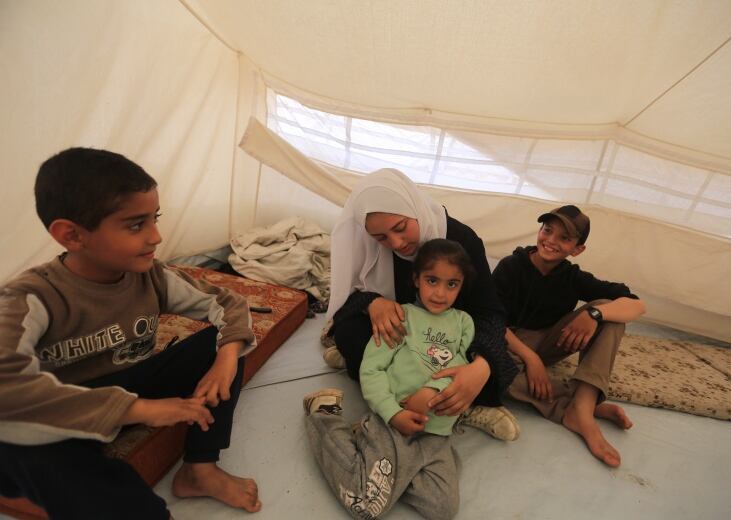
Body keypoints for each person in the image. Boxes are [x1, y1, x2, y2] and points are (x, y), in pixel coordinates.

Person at [0, 148, 262, 518]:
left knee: (223, 345)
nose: (156, 237)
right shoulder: (31, 296)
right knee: (21, 440)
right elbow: (7, 387)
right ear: (72, 235)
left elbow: (230, 305)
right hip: (63, 408)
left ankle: (199, 469)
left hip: (126, 383)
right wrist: (139, 409)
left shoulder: (150, 276)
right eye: (136, 225)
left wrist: (225, 359)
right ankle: (16, 491)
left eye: (155, 219)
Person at [323, 168, 520, 441]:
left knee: (491, 369)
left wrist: (481, 366)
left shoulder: (462, 241)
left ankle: (462, 405)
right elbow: (347, 299)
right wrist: (372, 302)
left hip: (446, 338)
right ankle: (416, 403)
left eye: (401, 228)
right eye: (381, 238)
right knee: (350, 335)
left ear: (414, 207)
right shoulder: (373, 246)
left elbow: (490, 312)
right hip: (402, 338)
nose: (396, 243)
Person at [305, 239, 478, 519]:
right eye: (432, 280)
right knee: (365, 505)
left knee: (443, 510)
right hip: (393, 425)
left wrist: (432, 390)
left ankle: (374, 463)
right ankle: (322, 415)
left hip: (437, 434)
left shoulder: (463, 323)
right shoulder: (401, 317)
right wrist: (393, 413)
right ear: (416, 279)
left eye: (451, 284)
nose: (440, 293)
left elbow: (461, 367)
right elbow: (372, 370)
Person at [492, 205, 646, 467]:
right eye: (548, 230)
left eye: (564, 238)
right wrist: (532, 360)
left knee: (610, 308)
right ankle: (573, 409)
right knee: (490, 374)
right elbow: (492, 322)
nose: (550, 241)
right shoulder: (511, 267)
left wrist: (595, 314)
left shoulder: (572, 277)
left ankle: (583, 405)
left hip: (547, 342)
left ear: (577, 249)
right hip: (507, 343)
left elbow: (637, 305)